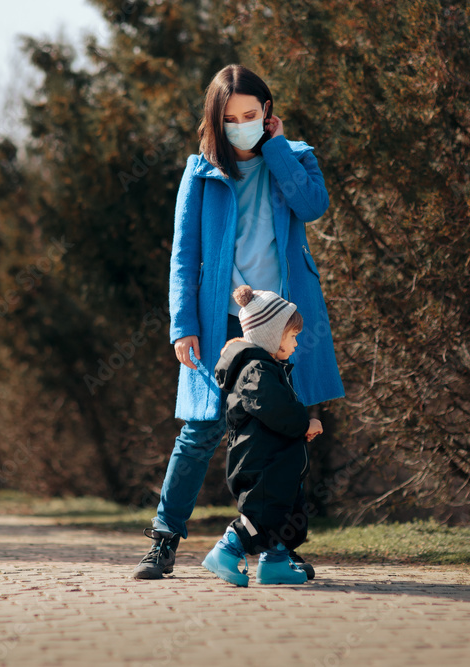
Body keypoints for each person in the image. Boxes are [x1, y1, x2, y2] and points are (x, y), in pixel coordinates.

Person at [132, 64, 344, 580]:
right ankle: (164, 540)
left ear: (267, 112)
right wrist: (182, 324)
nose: (241, 125)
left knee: (287, 433)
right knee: (201, 430)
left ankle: (277, 550)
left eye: (251, 115)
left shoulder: (295, 157)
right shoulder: (200, 172)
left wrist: (277, 148)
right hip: (221, 319)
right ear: (215, 119)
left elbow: (312, 206)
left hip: (283, 322)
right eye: (230, 118)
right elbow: (184, 256)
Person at [202, 285, 322, 587]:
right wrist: (304, 424)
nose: (296, 343)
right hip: (262, 464)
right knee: (263, 517)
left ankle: (275, 564)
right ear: (271, 335)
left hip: (279, 464)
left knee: (286, 515)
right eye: (292, 336)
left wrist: (297, 434)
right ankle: (224, 551)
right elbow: (278, 411)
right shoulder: (256, 371)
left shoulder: (268, 368)